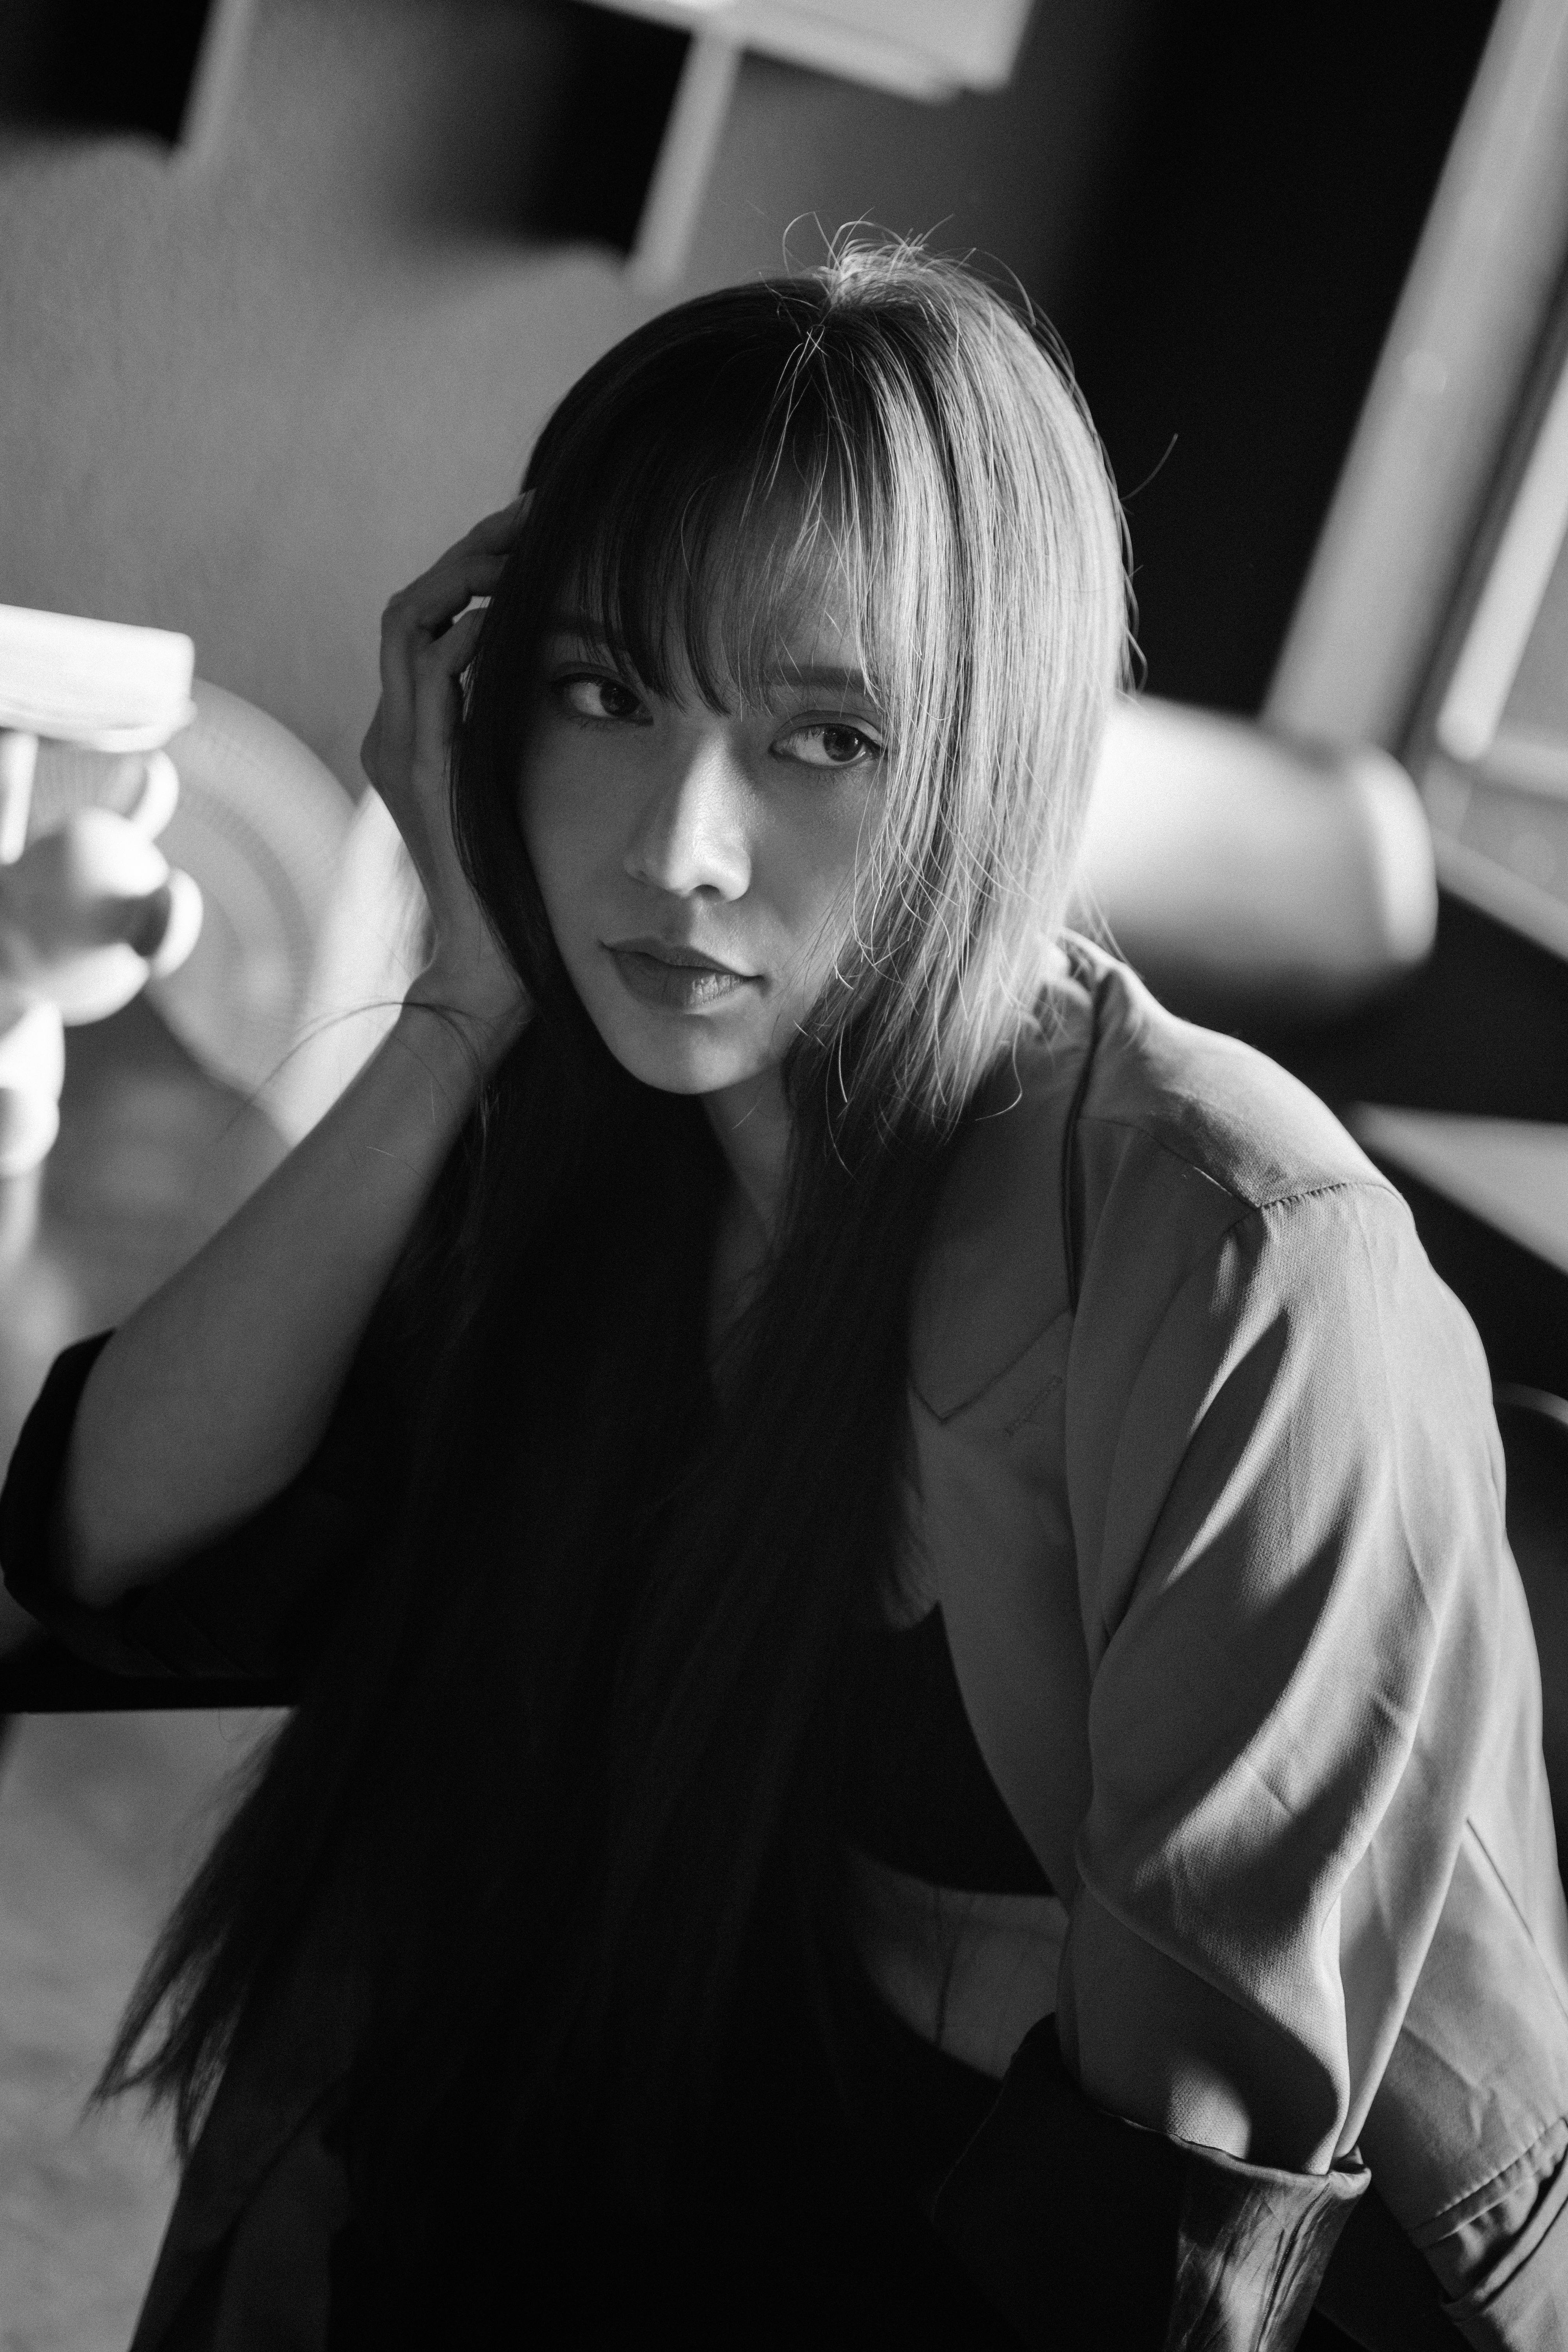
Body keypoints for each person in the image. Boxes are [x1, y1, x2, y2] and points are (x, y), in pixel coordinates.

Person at [2, 243, 1565, 2351]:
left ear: (989, 760)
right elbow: (102, 1548)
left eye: (822, 735)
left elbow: (1170, 2259)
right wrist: (453, 1015)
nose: (676, 849)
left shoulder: (1236, 1255)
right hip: (559, 2198)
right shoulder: (596, 1105)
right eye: (599, 692)